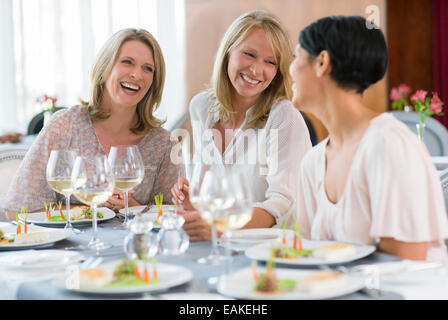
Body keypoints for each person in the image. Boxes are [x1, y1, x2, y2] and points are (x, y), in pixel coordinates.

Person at [290, 15, 448, 261]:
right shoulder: (312, 162)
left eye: (295, 57)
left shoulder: (388, 145)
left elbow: (406, 263)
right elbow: (311, 257)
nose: (289, 69)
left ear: (322, 62)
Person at [3, 28, 178, 219]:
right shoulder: (64, 126)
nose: (137, 74)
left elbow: (172, 219)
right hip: (68, 248)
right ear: (105, 67)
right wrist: (90, 208)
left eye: (148, 68)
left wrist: (130, 206)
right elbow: (17, 210)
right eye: (127, 62)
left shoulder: (162, 143)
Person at [171, 10, 312, 242]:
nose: (257, 70)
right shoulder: (202, 107)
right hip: (219, 244)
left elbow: (282, 204)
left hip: (272, 248)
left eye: (270, 62)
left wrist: (222, 226)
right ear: (228, 52)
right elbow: (213, 191)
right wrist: (193, 202)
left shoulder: (285, 117)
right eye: (249, 54)